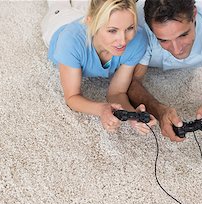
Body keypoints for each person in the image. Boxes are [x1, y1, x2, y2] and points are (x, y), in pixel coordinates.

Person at [128, 0, 202, 142]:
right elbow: (130, 84)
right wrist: (159, 111)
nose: (176, 49)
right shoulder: (136, 25)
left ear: (194, 15)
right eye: (163, 40)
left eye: (183, 35)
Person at [41, 0, 157, 134]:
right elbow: (72, 97)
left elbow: (117, 93)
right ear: (90, 22)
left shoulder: (137, 40)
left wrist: (132, 115)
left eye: (130, 28)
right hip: (60, 21)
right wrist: (102, 109)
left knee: (93, 7)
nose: (123, 40)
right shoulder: (69, 42)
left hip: (95, 19)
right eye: (112, 31)